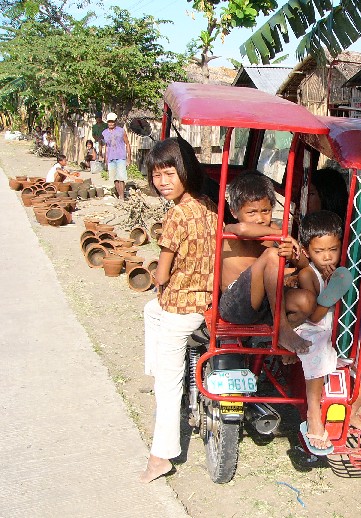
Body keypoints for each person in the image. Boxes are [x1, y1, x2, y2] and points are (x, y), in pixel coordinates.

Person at [139, 138, 218, 483]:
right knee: (149, 311)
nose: (163, 181)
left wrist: (160, 280)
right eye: (157, 175)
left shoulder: (176, 215)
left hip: (181, 308)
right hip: (207, 302)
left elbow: (162, 273)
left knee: (169, 386)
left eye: (169, 173)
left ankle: (161, 457)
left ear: (185, 170)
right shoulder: (207, 205)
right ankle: (155, 370)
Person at [294, 210, 361, 454]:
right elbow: (313, 315)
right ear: (306, 251)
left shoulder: (345, 270)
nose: (326, 257)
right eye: (319, 252)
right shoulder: (307, 275)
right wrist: (334, 289)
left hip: (340, 332)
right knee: (318, 352)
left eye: (332, 250)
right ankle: (314, 415)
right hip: (314, 330)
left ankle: (351, 410)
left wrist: (342, 283)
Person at [218, 171, 311, 355]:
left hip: (265, 304)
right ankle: (282, 331)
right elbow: (244, 228)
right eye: (251, 212)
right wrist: (281, 235)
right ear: (234, 212)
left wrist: (292, 255)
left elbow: (303, 263)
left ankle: (277, 338)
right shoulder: (231, 231)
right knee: (271, 255)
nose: (260, 218)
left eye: (265, 211)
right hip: (235, 307)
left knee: (306, 300)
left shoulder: (273, 230)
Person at [101, 112, 131, 201]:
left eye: (112, 121)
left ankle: (122, 196)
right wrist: (105, 158)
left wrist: (129, 158)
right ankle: (119, 195)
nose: (111, 123)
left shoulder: (121, 131)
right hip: (111, 157)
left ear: (115, 121)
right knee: (114, 178)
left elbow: (127, 143)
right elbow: (106, 146)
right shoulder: (104, 133)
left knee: (121, 177)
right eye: (109, 122)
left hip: (121, 156)